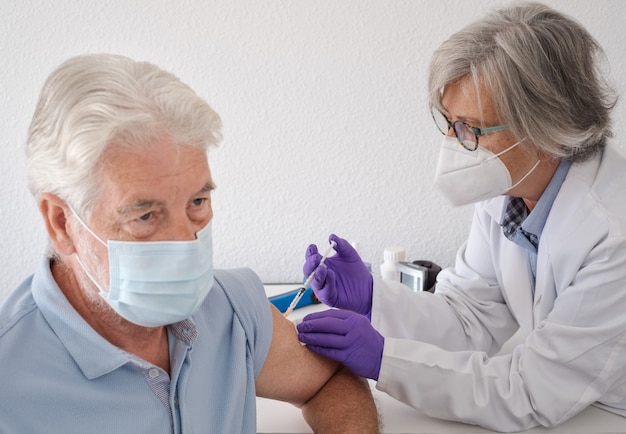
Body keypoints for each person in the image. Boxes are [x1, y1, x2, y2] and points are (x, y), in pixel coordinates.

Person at [0, 53, 379, 433]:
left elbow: (328, 383)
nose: (185, 243)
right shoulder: (11, 383)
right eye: (145, 216)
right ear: (62, 223)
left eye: (197, 203)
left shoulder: (232, 307)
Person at [296, 2, 626, 432]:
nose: (455, 144)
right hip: (572, 405)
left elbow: (530, 390)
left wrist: (384, 360)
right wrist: (373, 298)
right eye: (448, 122)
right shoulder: (510, 189)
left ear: (548, 131)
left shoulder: (612, 234)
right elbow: (468, 318)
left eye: (471, 128)